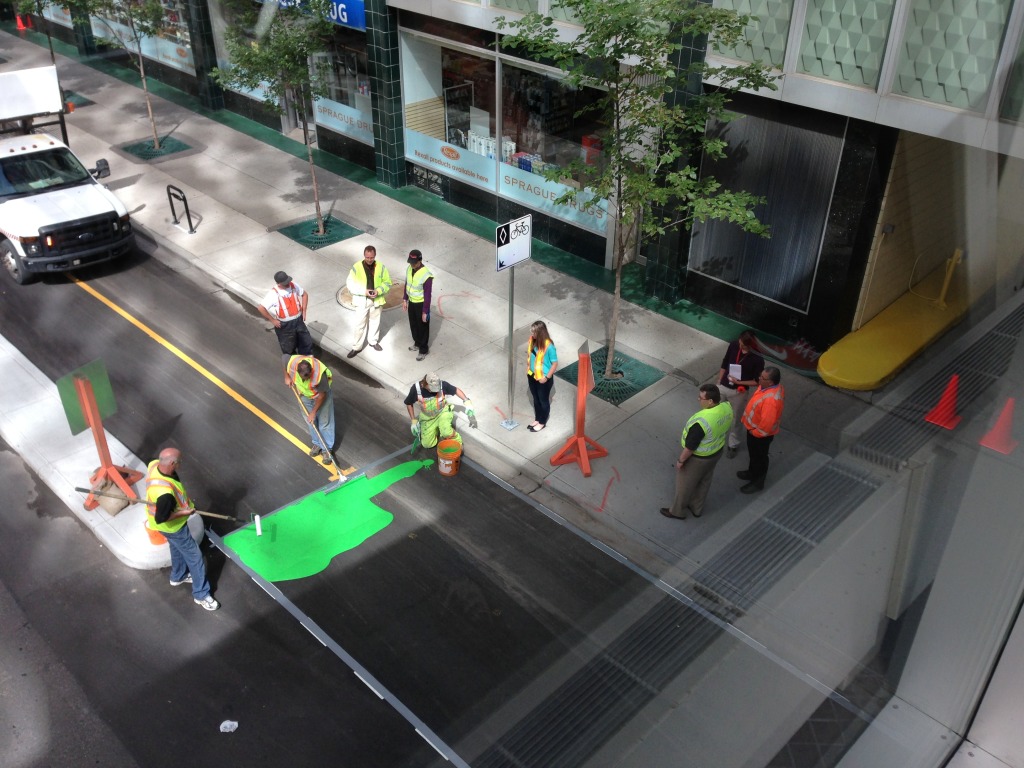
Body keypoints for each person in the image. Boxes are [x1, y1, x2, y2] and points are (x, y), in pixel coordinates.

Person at [145, 447, 220, 611]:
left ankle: (177, 576)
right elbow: (162, 517)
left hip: (165, 528)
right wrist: (184, 513)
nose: (180, 465)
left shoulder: (154, 465)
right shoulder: (165, 494)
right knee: (196, 558)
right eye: (179, 462)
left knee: (176, 547)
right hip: (173, 527)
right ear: (172, 463)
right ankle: (201, 595)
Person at [660, 384, 733, 520]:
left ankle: (677, 511)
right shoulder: (726, 408)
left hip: (699, 458)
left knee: (684, 485)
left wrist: (681, 461)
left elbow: (690, 447)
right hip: (716, 452)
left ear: (710, 401)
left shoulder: (702, 422)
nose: (698, 400)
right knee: (704, 480)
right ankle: (696, 508)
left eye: (700, 398)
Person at [717, 329, 765, 459]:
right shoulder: (734, 345)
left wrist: (740, 382)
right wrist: (719, 380)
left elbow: (756, 381)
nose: (741, 346)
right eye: (740, 343)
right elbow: (725, 362)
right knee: (716, 412)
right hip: (723, 386)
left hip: (739, 392)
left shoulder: (758, 358)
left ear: (752, 345)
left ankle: (733, 444)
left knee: (736, 419)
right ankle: (715, 438)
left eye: (744, 345)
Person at [737, 366, 785, 493]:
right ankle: (752, 472)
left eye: (762, 378)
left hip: (759, 435)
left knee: (760, 458)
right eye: (760, 375)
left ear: (770, 382)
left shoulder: (770, 401)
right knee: (754, 455)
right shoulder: (767, 387)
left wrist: (755, 432)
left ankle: (758, 482)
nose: (759, 379)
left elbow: (767, 425)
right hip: (753, 429)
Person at [405, 371, 475, 449]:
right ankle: (436, 429)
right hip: (427, 417)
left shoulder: (442, 385)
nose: (435, 391)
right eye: (432, 388)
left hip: (443, 412)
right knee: (427, 444)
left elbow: (456, 390)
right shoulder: (416, 389)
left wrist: (467, 402)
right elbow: (408, 403)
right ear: (425, 384)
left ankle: (458, 442)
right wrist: (413, 421)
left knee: (446, 432)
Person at [286, 354, 335, 464]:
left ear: (311, 372)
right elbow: (284, 359)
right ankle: (317, 443)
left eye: (307, 378)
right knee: (310, 421)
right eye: (303, 378)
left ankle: (326, 448)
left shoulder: (319, 375)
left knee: (324, 422)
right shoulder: (293, 363)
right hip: (305, 395)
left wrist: (313, 412)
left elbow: (322, 396)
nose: (305, 380)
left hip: (321, 395)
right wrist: (287, 377)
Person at [346, 245, 392, 358]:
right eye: (367, 257)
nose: (369, 259)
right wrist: (364, 292)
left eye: (371, 257)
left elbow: (387, 283)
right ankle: (356, 347)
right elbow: (350, 284)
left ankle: (373, 341)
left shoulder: (381, 267)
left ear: (375, 256)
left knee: (375, 322)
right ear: (364, 255)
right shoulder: (356, 267)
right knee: (359, 324)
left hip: (376, 300)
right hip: (362, 300)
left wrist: (379, 290)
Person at [258, 270, 312, 364]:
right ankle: (294, 367)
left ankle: (308, 364)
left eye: (288, 281)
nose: (288, 284)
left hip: (298, 321)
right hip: (285, 326)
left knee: (306, 343)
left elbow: (304, 294)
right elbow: (261, 308)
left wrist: (304, 310)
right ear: (278, 284)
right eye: (285, 283)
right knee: (289, 348)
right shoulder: (274, 293)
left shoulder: (293, 285)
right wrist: (273, 320)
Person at [526, 320, 557, 432]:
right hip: (532, 375)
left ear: (540, 333)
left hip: (543, 379)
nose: (532, 334)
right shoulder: (532, 341)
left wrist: (547, 378)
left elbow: (554, 363)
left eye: (534, 332)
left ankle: (542, 422)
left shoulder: (549, 346)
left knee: (543, 401)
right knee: (536, 398)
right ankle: (537, 419)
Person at [402, 249, 434, 361]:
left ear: (420, 261)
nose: (412, 264)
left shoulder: (426, 275)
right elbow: (407, 284)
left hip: (421, 304)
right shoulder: (409, 269)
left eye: (414, 262)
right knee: (414, 324)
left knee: (423, 327)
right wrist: (405, 299)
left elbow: (428, 295)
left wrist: (425, 311)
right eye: (410, 262)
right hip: (412, 302)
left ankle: (423, 349)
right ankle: (417, 342)